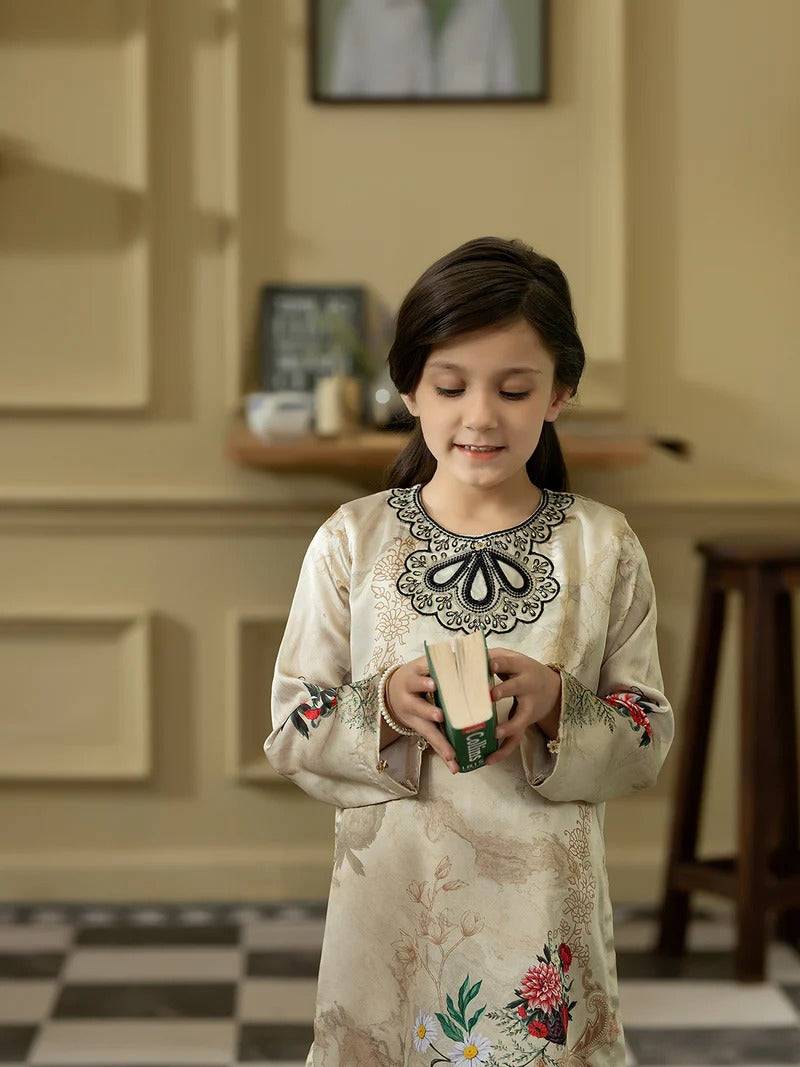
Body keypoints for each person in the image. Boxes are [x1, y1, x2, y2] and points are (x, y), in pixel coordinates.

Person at [264, 236, 675, 1066]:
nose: (480, 415)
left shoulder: (601, 547)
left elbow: (646, 736)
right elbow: (291, 725)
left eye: (513, 388)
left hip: (543, 924)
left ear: (559, 392)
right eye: (451, 386)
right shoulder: (353, 541)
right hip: (392, 912)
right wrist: (382, 705)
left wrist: (561, 700)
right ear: (409, 387)